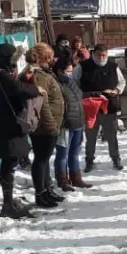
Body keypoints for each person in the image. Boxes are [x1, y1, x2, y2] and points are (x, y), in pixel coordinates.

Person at [0, 43, 42, 219]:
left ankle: (8, 202)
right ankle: (7, 205)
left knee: (11, 161)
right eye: (11, 59)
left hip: (5, 122)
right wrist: (36, 89)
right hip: (7, 124)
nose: (13, 63)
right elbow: (18, 88)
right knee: (9, 162)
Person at [25, 44, 66, 208]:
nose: (52, 60)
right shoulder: (38, 75)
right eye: (49, 57)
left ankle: (47, 189)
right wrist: (51, 125)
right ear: (43, 58)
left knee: (44, 158)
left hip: (49, 124)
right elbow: (42, 105)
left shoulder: (43, 73)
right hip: (44, 126)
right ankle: (40, 193)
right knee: (41, 159)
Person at [79, 44, 125, 172]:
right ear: (93, 54)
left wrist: (116, 90)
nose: (101, 58)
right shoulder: (83, 66)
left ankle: (116, 158)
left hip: (109, 106)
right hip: (90, 107)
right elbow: (74, 83)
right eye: (99, 55)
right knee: (91, 136)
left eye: (104, 55)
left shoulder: (113, 66)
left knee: (111, 135)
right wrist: (83, 96)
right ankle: (89, 160)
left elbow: (122, 82)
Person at [53, 58, 92, 191]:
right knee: (62, 154)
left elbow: (79, 97)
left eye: (71, 71)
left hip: (78, 122)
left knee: (74, 153)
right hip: (66, 125)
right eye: (68, 72)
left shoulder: (72, 82)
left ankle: (76, 178)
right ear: (60, 71)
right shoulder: (57, 84)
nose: (70, 74)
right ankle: (62, 180)